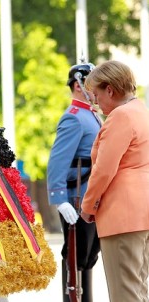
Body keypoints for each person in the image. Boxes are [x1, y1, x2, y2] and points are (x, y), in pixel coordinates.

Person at [81, 60, 149, 302]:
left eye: (97, 94)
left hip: (123, 214)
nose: (96, 102)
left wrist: (87, 205)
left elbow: (103, 170)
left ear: (110, 89)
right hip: (142, 213)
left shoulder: (121, 116)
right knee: (138, 290)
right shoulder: (141, 111)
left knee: (125, 295)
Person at [47, 61, 101, 302]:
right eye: (93, 84)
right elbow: (58, 162)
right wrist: (60, 200)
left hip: (91, 198)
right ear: (79, 85)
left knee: (88, 257)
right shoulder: (74, 118)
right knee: (74, 257)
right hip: (77, 200)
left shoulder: (92, 116)